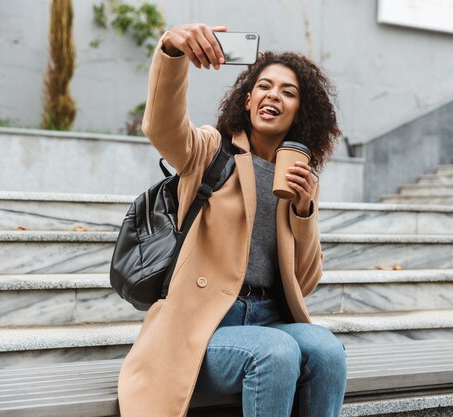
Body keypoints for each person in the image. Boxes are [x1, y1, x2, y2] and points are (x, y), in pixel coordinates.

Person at [117, 23, 347, 417]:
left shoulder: (298, 177)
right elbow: (162, 127)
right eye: (264, 86)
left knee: (327, 349)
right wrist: (172, 52)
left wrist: (304, 213)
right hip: (200, 329)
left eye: (288, 92)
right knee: (275, 352)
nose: (274, 94)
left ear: (298, 113)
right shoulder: (210, 151)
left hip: (265, 320)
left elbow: (303, 284)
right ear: (247, 99)